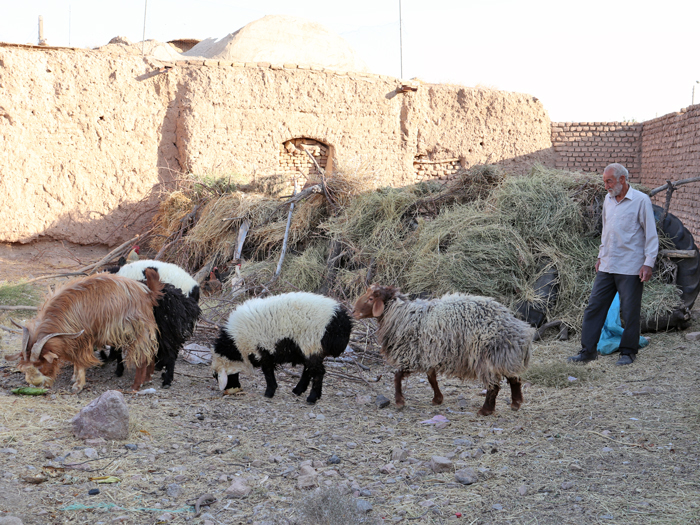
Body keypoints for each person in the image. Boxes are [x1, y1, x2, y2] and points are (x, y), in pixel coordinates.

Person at [568, 163, 658, 366]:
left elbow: (651, 235)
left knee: (629, 311)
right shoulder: (608, 201)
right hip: (608, 265)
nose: (606, 186)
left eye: (609, 181)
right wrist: (601, 256)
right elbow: (606, 231)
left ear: (622, 179)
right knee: (594, 307)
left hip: (630, 266)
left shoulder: (641, 201)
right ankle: (587, 351)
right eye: (605, 182)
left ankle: (628, 351)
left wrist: (648, 263)